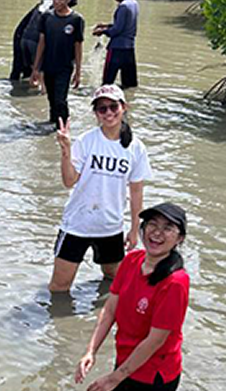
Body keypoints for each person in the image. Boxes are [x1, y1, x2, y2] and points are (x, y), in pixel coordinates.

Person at [74, 203, 190, 391]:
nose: (157, 233)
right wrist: (91, 351)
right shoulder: (132, 260)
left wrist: (114, 378)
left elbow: (155, 340)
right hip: (127, 361)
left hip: (151, 374)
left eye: (167, 228)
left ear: (179, 238)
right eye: (152, 225)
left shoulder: (175, 282)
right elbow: (110, 309)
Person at [50, 84, 151, 292]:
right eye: (102, 109)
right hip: (77, 224)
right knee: (59, 287)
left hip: (110, 226)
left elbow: (136, 191)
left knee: (113, 281)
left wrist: (134, 229)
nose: (108, 113)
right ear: (96, 113)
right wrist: (66, 150)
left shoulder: (136, 148)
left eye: (113, 107)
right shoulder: (86, 141)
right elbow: (69, 181)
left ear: (124, 107)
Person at [31, 0, 85, 126]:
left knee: (60, 100)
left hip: (65, 67)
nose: (56, 1)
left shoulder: (76, 20)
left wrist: (78, 71)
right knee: (51, 99)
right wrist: (36, 68)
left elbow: (78, 46)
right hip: (49, 65)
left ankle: (63, 128)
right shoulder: (47, 17)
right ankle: (53, 124)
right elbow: (42, 42)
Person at [93, 0, 139, 89]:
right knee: (129, 84)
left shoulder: (123, 6)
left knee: (107, 83)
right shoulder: (134, 3)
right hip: (129, 49)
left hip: (117, 49)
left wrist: (103, 32)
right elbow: (124, 26)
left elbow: (117, 30)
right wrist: (106, 25)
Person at [9, 0, 53, 82]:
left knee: (24, 71)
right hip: (32, 41)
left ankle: (19, 88)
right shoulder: (51, 11)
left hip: (23, 39)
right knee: (40, 73)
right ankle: (40, 95)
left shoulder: (37, 9)